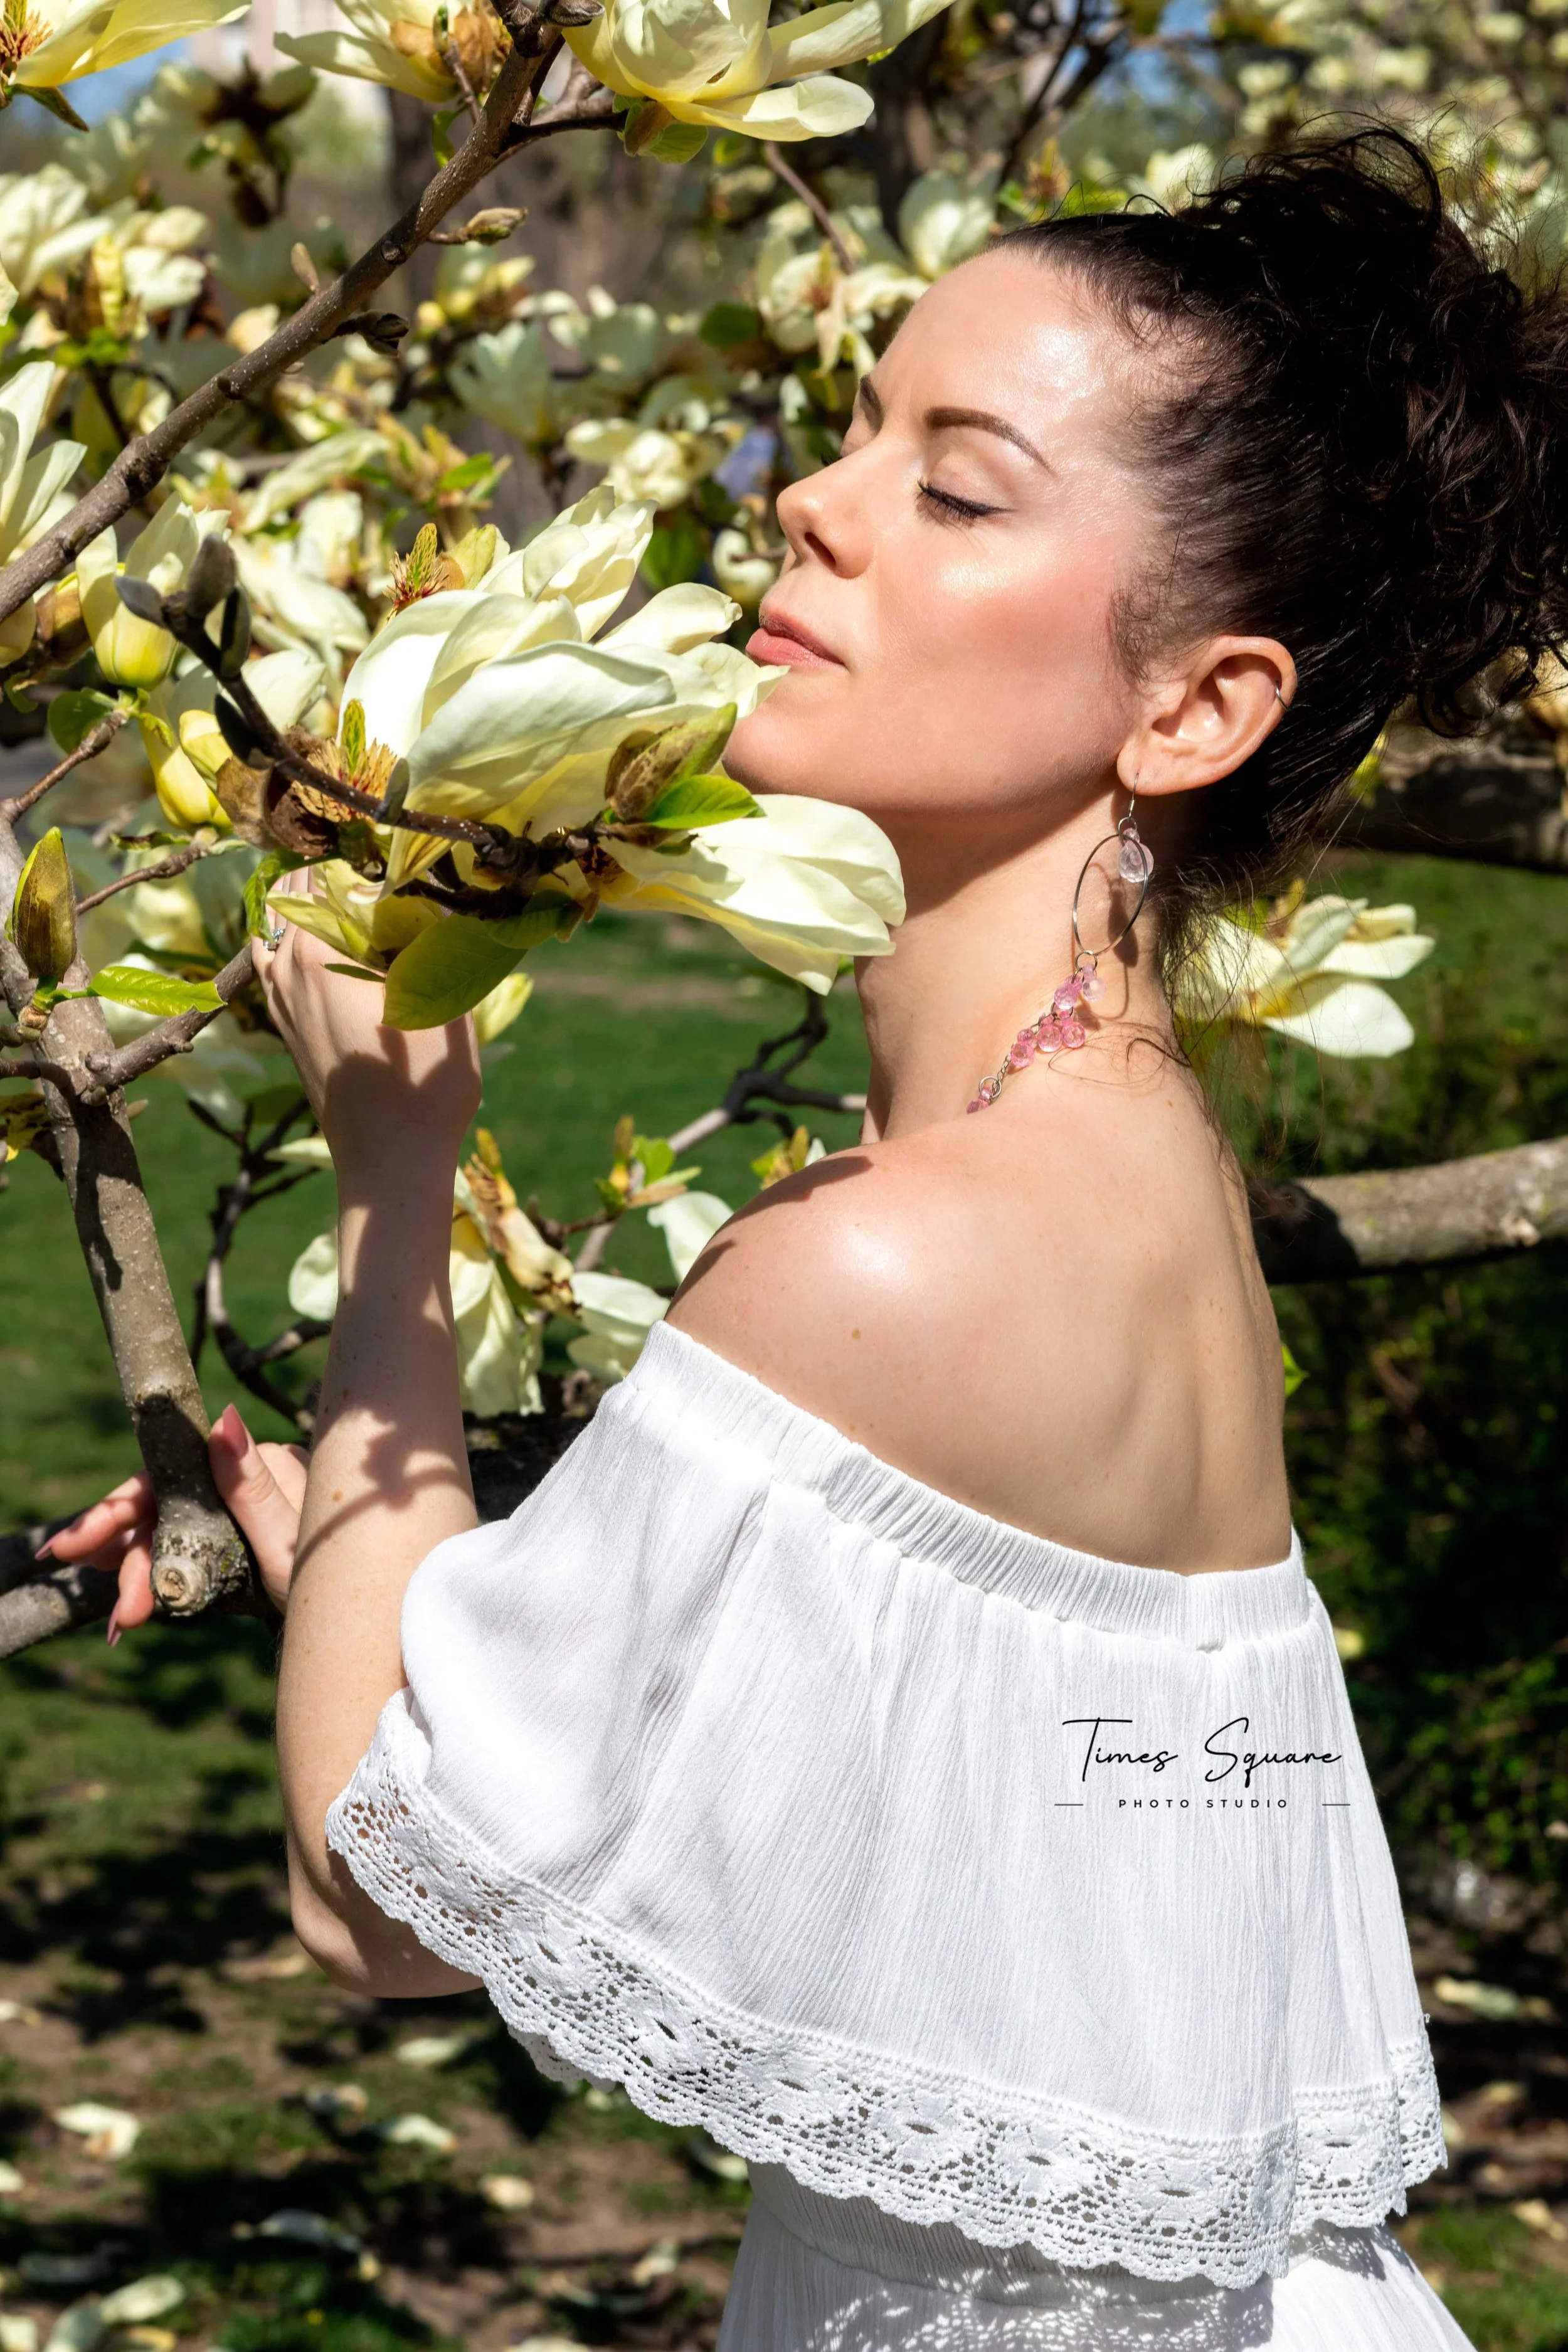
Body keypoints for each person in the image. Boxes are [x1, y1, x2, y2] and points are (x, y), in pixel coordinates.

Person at [53, 126, 1560, 2350]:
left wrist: (393, 1191)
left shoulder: (891, 1256)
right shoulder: (1140, 1174)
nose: (814, 501)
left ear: (1197, 705)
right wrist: (386, 1570)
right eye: (854, 426)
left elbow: (376, 1898)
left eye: (956, 487)